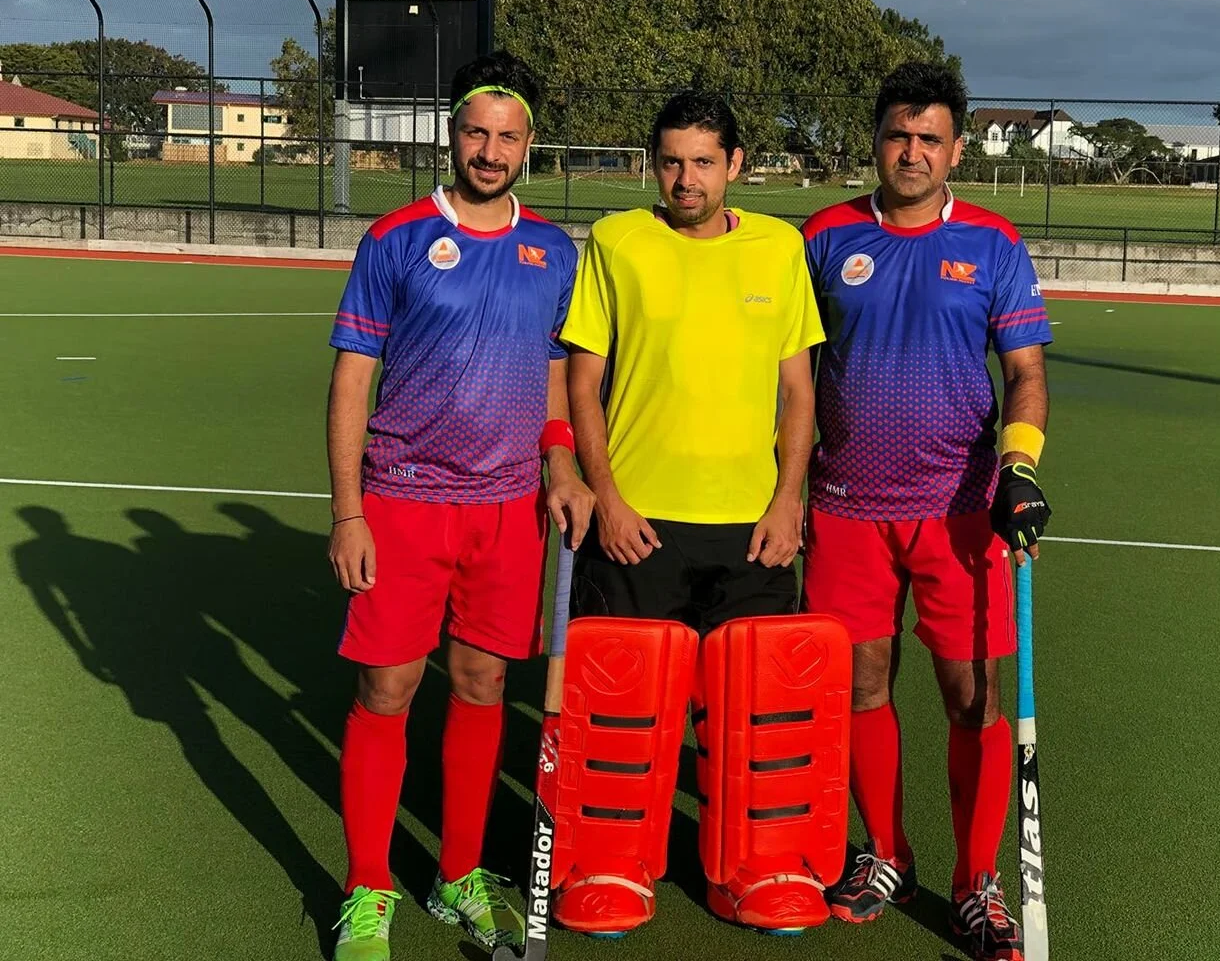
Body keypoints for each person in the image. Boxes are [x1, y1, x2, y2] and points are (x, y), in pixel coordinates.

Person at [324, 51, 594, 961]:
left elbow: (555, 378)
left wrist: (560, 465)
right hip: (401, 505)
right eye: (475, 132)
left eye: (507, 136)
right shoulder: (395, 238)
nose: (489, 150)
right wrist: (348, 512)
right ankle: (367, 889)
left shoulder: (554, 250)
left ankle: (459, 874)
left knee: (482, 686)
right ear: (451, 133)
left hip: (508, 510)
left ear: (528, 145)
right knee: (387, 688)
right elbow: (352, 380)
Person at [552, 90, 841, 936]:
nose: (686, 178)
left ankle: (754, 867)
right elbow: (583, 382)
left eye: (704, 162)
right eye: (671, 160)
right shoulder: (615, 242)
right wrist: (606, 496)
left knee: (758, 715)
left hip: (753, 525)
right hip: (637, 524)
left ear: (736, 166)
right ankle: (612, 866)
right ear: (654, 163)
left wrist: (790, 501)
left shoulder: (780, 249)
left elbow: (798, 392)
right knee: (624, 713)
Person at [800, 61, 1053, 961]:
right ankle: (887, 855)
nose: (912, 152)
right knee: (861, 685)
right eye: (898, 135)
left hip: (962, 510)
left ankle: (975, 882)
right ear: (876, 139)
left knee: (974, 699)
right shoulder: (825, 235)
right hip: (843, 509)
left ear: (956, 149)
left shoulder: (991, 241)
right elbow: (788, 375)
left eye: (930, 139)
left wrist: (1020, 467)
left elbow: (1024, 372)